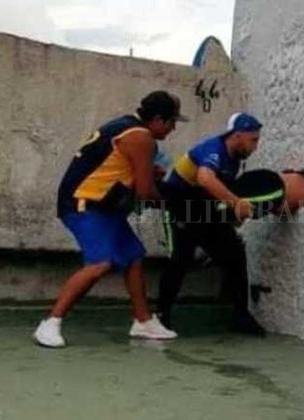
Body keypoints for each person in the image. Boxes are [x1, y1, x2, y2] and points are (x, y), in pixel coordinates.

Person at [33, 91, 187, 347]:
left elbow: (118, 168)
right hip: (85, 203)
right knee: (100, 263)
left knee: (132, 256)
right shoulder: (141, 137)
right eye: (172, 122)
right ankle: (50, 323)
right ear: (159, 119)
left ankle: (143, 321)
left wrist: (148, 174)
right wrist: (176, 204)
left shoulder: (125, 126)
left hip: (103, 205)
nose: (173, 129)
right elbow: (145, 192)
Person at [157, 112, 266, 336]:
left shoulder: (235, 159)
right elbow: (205, 179)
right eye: (253, 140)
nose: (255, 146)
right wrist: (237, 204)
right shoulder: (214, 149)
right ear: (237, 135)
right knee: (180, 259)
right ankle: (161, 315)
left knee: (234, 253)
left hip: (204, 208)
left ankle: (241, 315)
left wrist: (232, 216)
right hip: (181, 205)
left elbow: (217, 192)